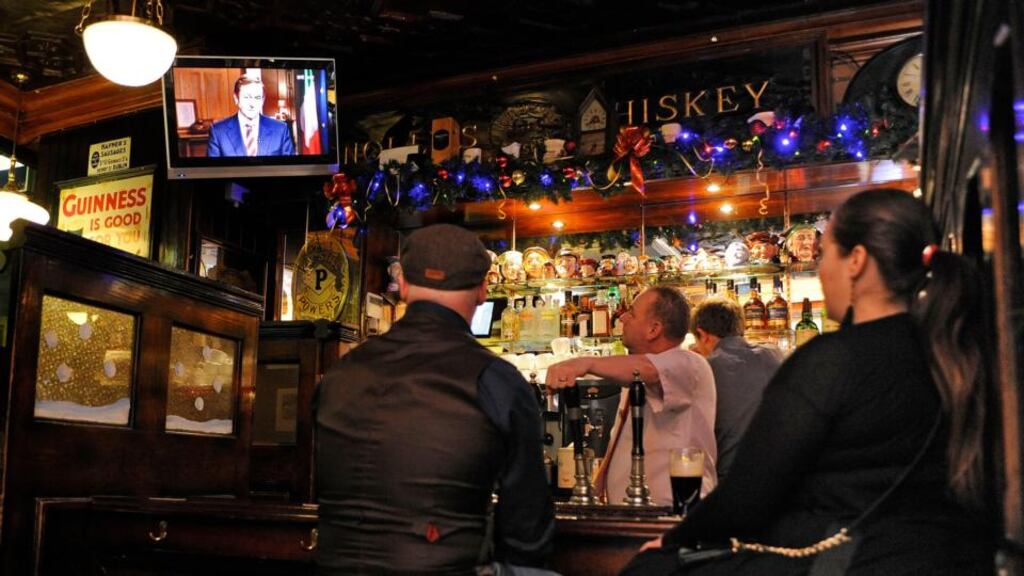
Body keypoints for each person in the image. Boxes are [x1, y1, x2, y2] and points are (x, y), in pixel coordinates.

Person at [622, 189, 995, 575]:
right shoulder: (952, 348)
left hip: (849, 557)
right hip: (941, 554)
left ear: (857, 261)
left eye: (824, 254)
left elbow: (749, 496)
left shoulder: (834, 360)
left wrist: (669, 540)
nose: (820, 269)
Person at [315, 224, 555, 575]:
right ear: (483, 290)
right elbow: (528, 526)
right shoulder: (496, 379)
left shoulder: (338, 374)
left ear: (405, 286)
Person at [546, 286, 717, 505]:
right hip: (635, 513)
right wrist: (598, 488)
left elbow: (648, 369)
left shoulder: (689, 364)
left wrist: (585, 362)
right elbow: (620, 441)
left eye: (632, 313)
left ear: (654, 329)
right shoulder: (633, 377)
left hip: (674, 513)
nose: (623, 317)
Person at [690, 297, 783, 483]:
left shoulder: (706, 369)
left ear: (703, 334)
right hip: (779, 476)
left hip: (729, 480)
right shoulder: (774, 354)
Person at [207, 74, 295, 157]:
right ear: (236, 98)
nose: (252, 104)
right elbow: (213, 171)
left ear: (263, 100)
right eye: (247, 97)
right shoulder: (218, 131)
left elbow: (289, 168)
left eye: (257, 98)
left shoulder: (280, 129)